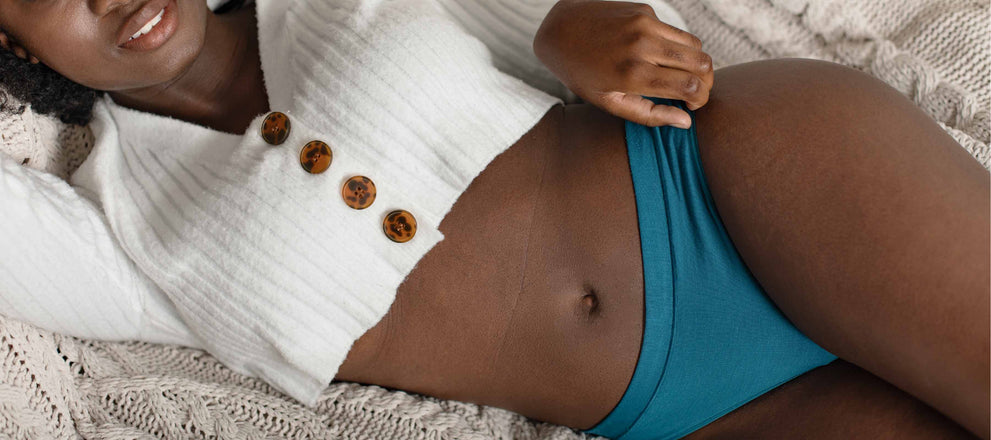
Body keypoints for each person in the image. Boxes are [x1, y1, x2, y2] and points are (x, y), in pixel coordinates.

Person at [0, 0, 987, 438]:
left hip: (744, 172)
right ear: (14, 43)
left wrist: (567, 28)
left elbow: (589, 19)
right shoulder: (117, 233)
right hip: (706, 411)